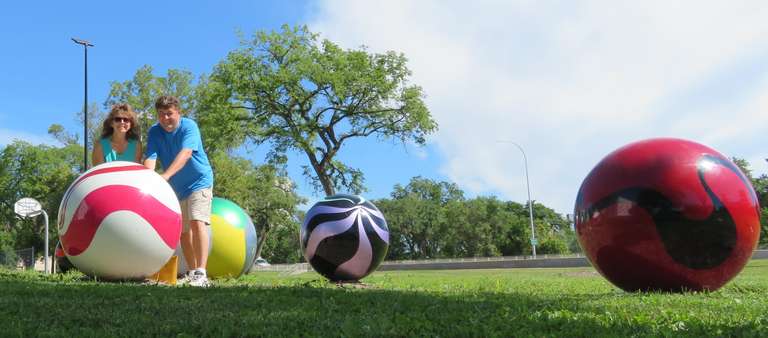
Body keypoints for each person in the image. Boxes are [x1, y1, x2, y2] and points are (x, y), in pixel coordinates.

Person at [143, 95, 214, 287]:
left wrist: (165, 175)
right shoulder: (155, 132)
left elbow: (186, 153)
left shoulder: (189, 126)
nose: (165, 118)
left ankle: (201, 273)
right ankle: (192, 272)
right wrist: (148, 179)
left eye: (169, 114)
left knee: (197, 222)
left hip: (200, 181)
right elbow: (150, 157)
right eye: (161, 114)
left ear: (178, 113)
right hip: (177, 188)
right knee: (183, 232)